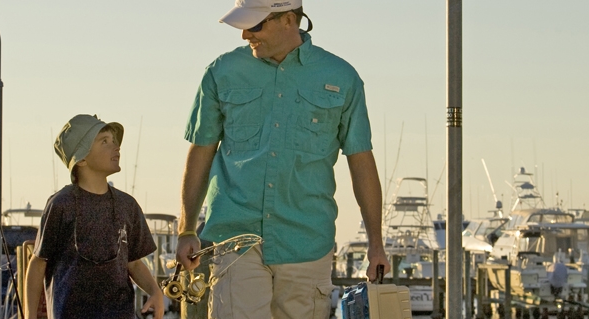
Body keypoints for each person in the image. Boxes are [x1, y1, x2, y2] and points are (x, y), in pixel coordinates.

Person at [176, 1, 391, 318]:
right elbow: (200, 153)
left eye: (255, 25)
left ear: (289, 19)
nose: (245, 34)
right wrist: (186, 230)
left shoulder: (342, 78)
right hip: (235, 242)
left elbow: (361, 162)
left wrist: (376, 243)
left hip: (307, 242)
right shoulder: (221, 72)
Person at [25, 114, 164, 319]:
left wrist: (155, 292)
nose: (116, 147)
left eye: (114, 141)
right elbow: (38, 263)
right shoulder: (61, 204)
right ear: (81, 159)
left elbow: (133, 263)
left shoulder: (128, 205)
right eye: (104, 142)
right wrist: (29, 316)